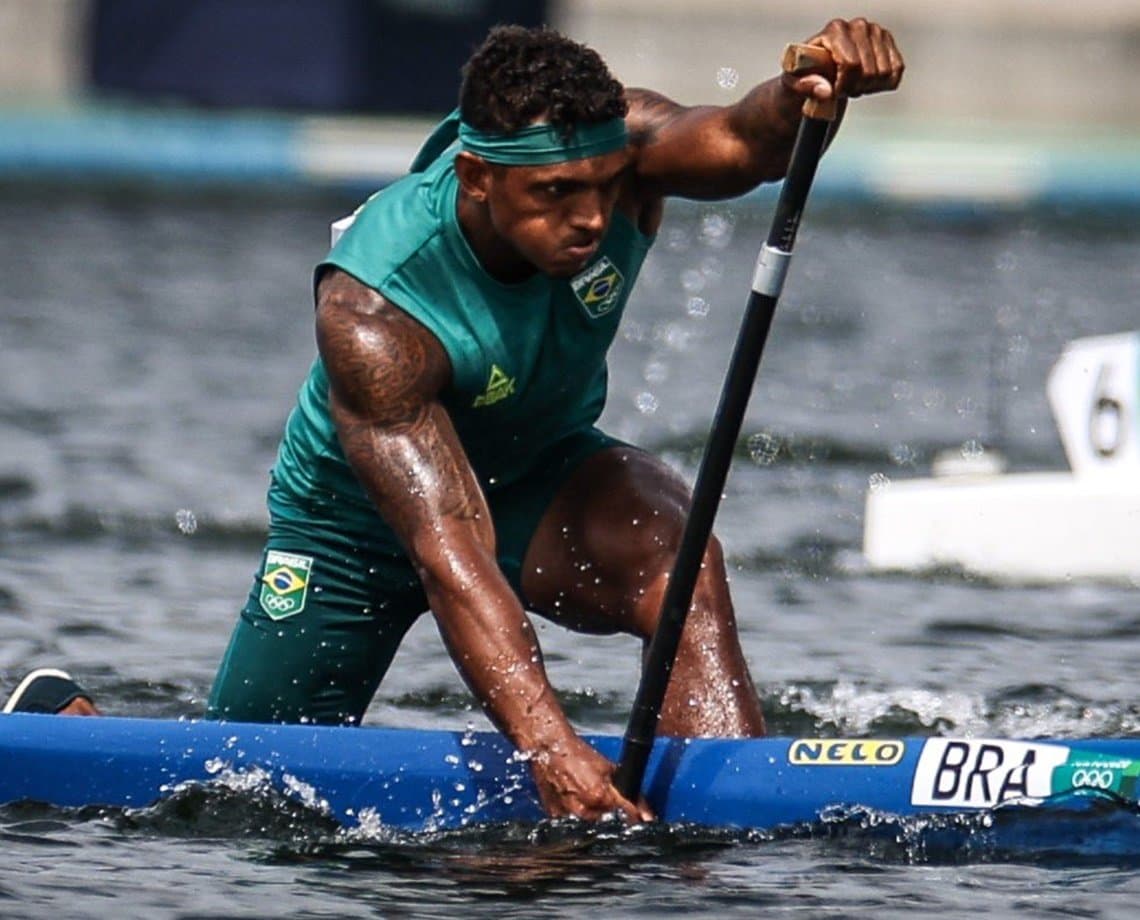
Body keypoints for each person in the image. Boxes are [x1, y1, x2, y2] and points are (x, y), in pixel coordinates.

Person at [159, 19, 904, 821]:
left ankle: (735, 831)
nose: (591, 218)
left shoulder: (627, 149)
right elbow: (450, 549)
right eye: (556, 194)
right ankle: (64, 714)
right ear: (478, 178)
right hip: (353, 527)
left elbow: (741, 140)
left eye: (604, 185)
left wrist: (802, 98)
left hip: (537, 474)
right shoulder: (373, 308)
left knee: (672, 549)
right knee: (236, 787)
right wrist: (547, 745)